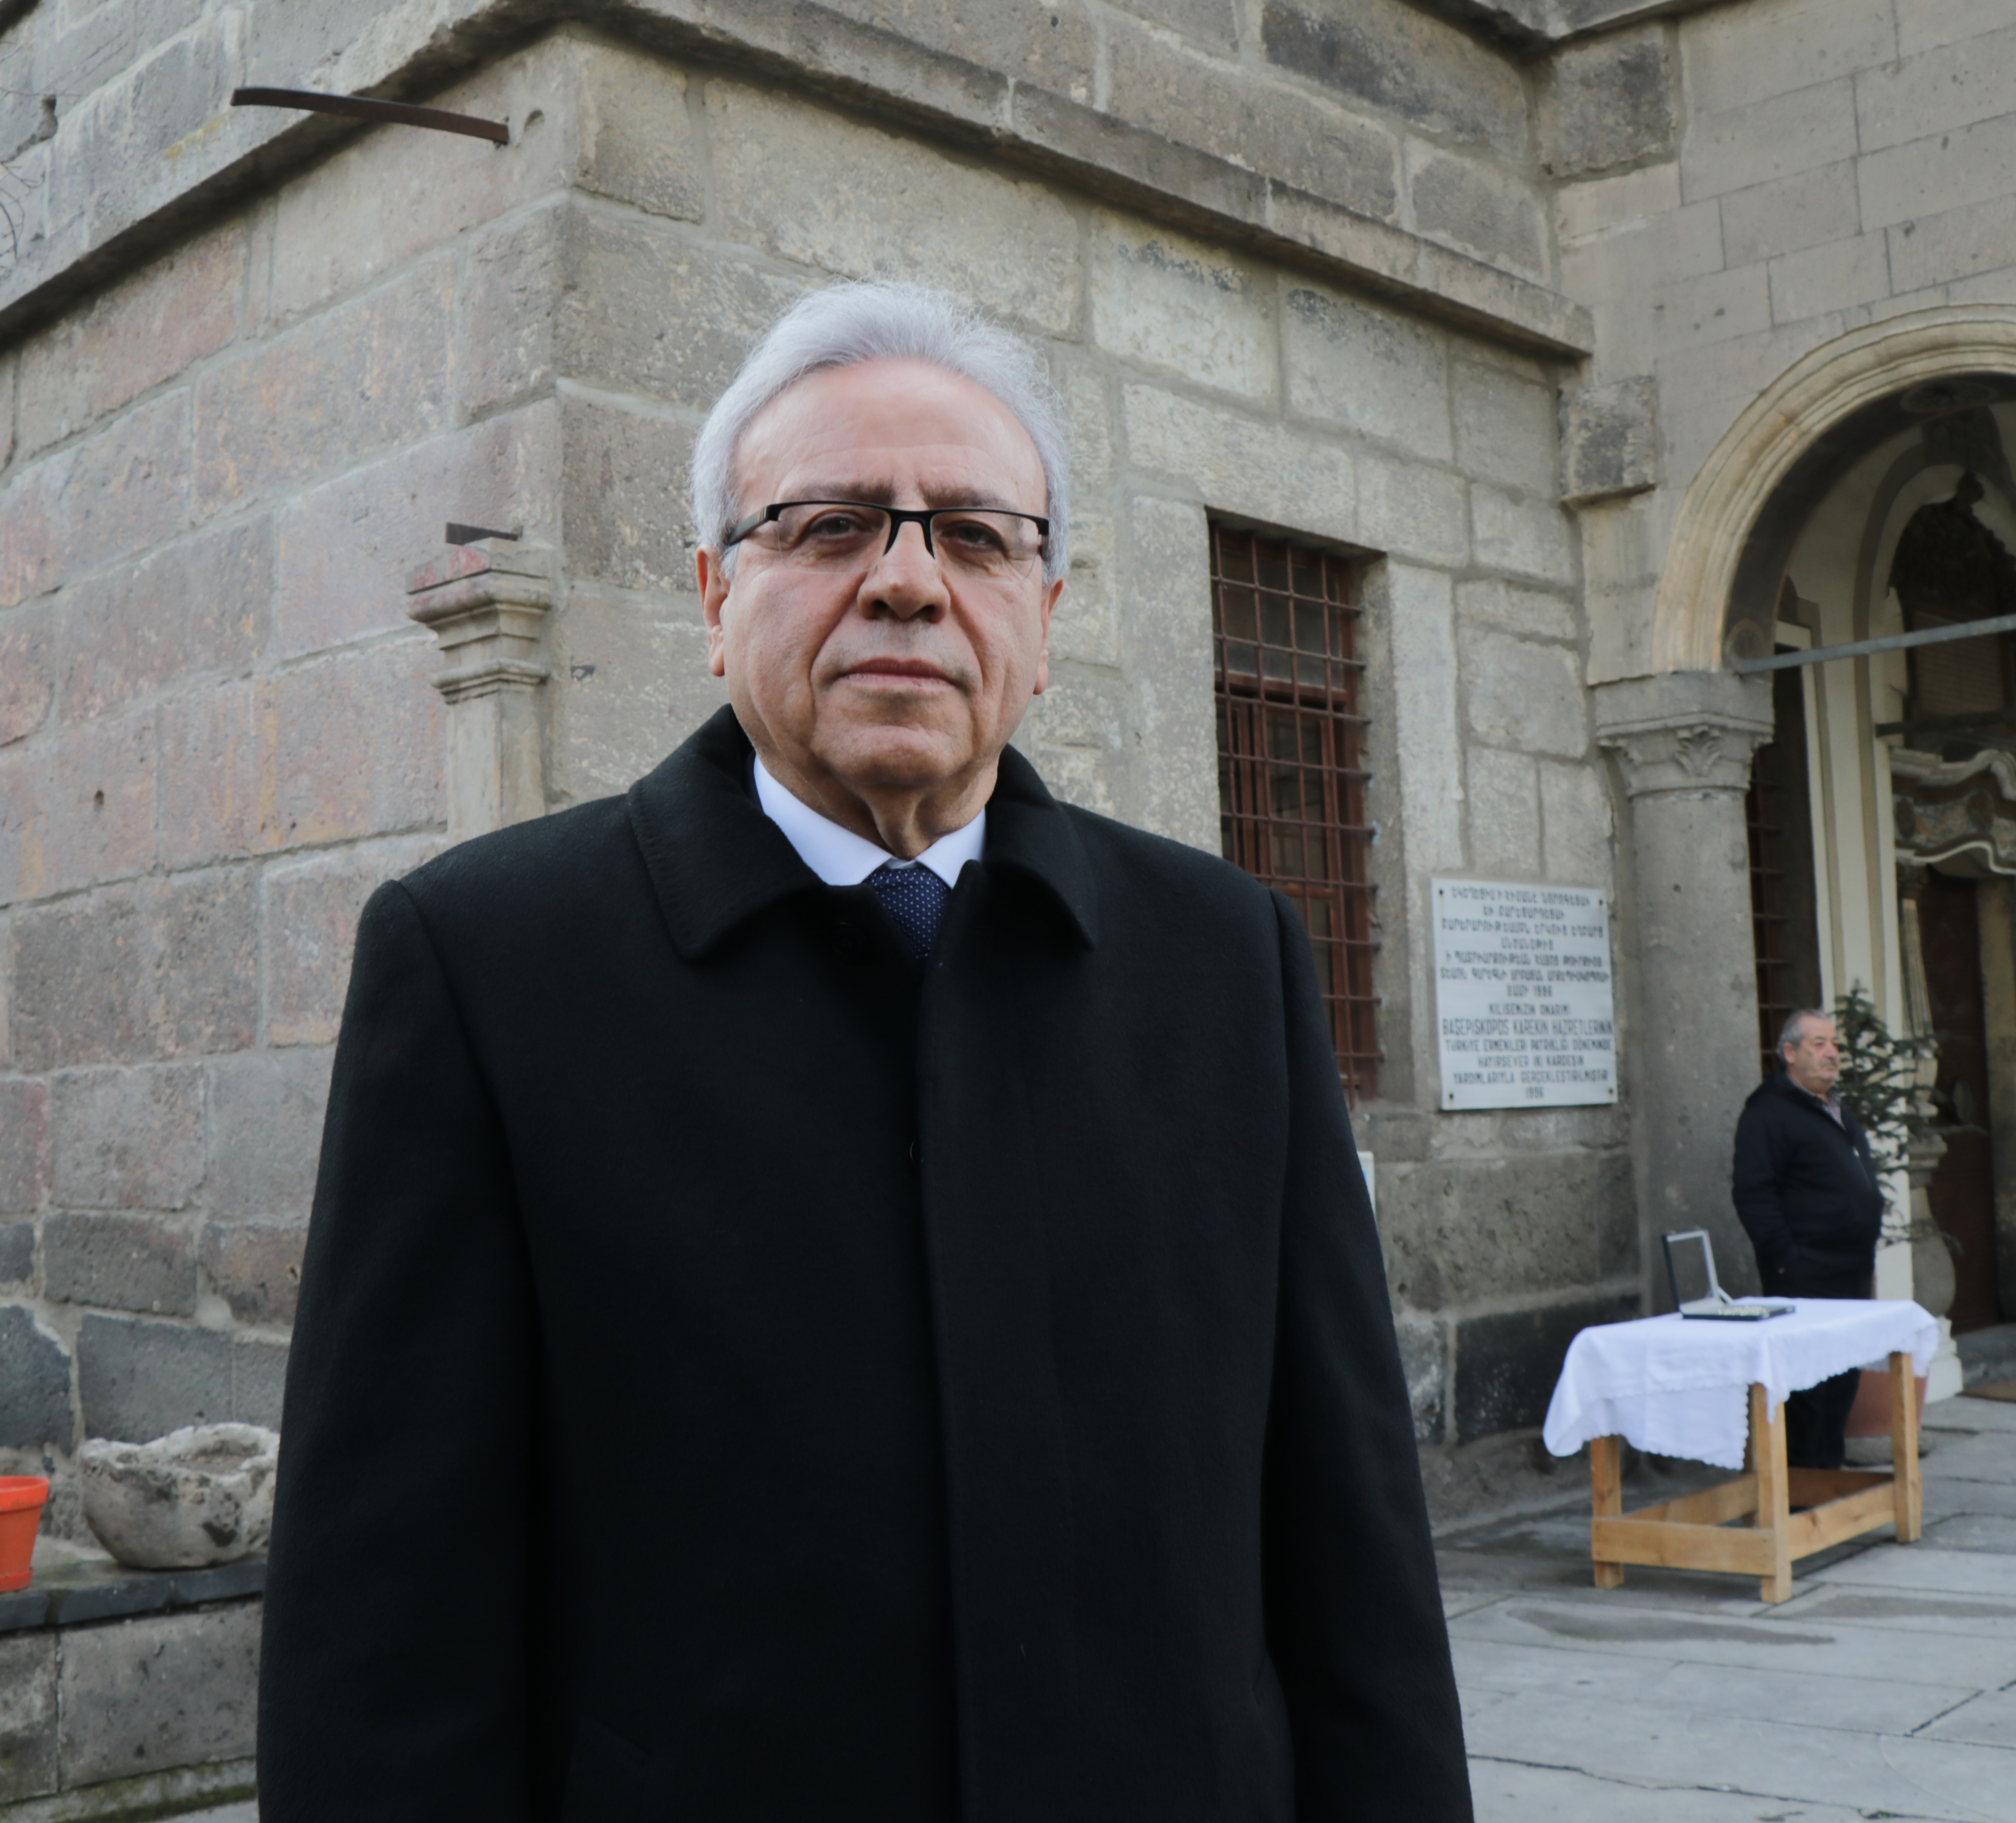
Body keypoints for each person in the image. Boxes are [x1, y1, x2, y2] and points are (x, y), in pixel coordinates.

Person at [256, 281, 1473, 1820]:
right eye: (830, 525)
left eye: (974, 535)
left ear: (1044, 615)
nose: (906, 580)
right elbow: (386, 1627)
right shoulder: (486, 965)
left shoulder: (1224, 960)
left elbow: (1349, 1549)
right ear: (712, 594)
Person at [1729, 1008, 1886, 1470]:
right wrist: (1786, 1261)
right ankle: (1799, 1489)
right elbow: (1753, 1193)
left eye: (1834, 1043)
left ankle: (1827, 1478)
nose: (1832, 1053)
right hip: (1806, 1271)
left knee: (1841, 1381)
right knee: (1809, 1387)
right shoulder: (1768, 1112)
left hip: (1850, 1267)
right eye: (1819, 1044)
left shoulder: (1835, 1107)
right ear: (1790, 1053)